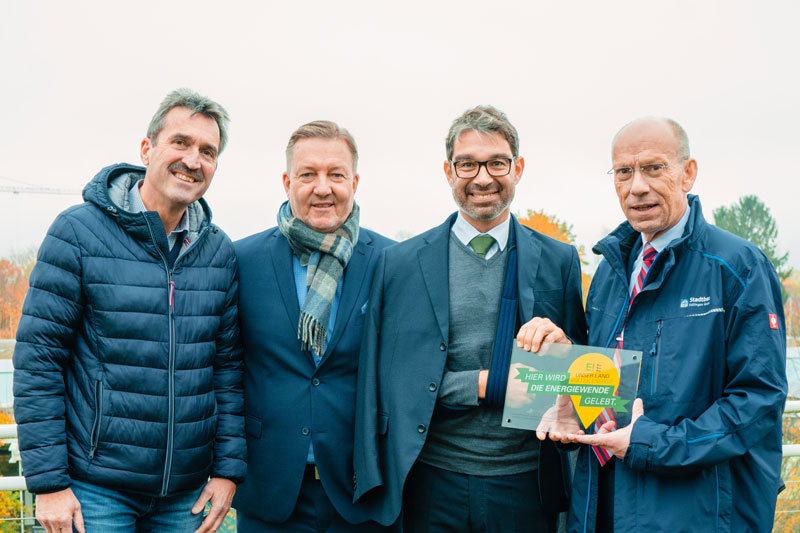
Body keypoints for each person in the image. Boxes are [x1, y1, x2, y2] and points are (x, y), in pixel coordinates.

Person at [526, 117, 787, 532]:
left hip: (692, 512)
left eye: (653, 168)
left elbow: (758, 401)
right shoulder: (610, 273)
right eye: (624, 172)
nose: (637, 187)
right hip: (603, 502)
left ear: (688, 173)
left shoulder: (737, 267)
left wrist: (650, 444)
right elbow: (612, 384)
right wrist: (566, 382)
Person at [12, 88, 246, 533]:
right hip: (94, 490)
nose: (193, 160)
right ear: (147, 149)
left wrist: (227, 470)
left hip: (187, 495)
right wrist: (47, 484)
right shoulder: (78, 232)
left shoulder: (219, 252)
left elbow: (228, 369)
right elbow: (38, 362)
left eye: (207, 151)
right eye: (180, 142)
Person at [353, 105, 587, 531]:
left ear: (518, 168)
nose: (482, 178)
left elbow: (584, 381)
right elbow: (390, 384)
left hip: (527, 484)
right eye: (467, 164)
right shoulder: (399, 265)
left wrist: (567, 352)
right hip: (429, 480)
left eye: (497, 162)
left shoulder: (560, 261)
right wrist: (485, 383)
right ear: (448, 171)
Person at [233, 120, 394, 532]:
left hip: (363, 492)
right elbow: (225, 370)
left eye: (335, 174)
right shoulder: (241, 260)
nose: (322, 187)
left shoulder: (392, 263)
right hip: (269, 491)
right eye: (308, 174)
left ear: (354, 181)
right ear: (287, 181)